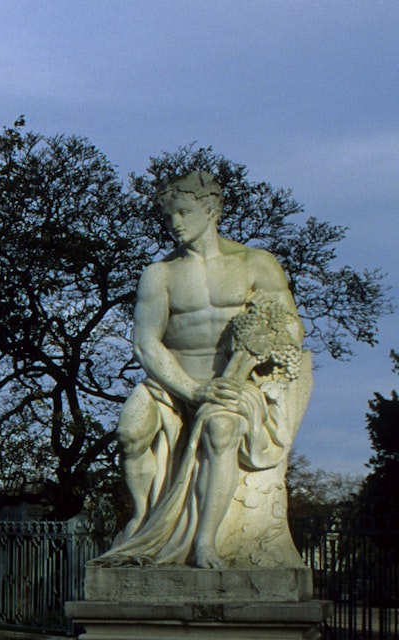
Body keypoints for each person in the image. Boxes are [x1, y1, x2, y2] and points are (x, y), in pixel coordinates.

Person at [94, 171, 309, 569]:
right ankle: (142, 517)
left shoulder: (255, 263)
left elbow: (291, 326)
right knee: (129, 433)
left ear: (210, 209)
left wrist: (258, 349)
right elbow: (146, 343)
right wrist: (190, 390)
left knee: (220, 429)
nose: (174, 222)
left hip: (234, 384)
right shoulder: (160, 274)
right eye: (169, 215)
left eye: (183, 211)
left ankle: (206, 541)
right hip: (173, 384)